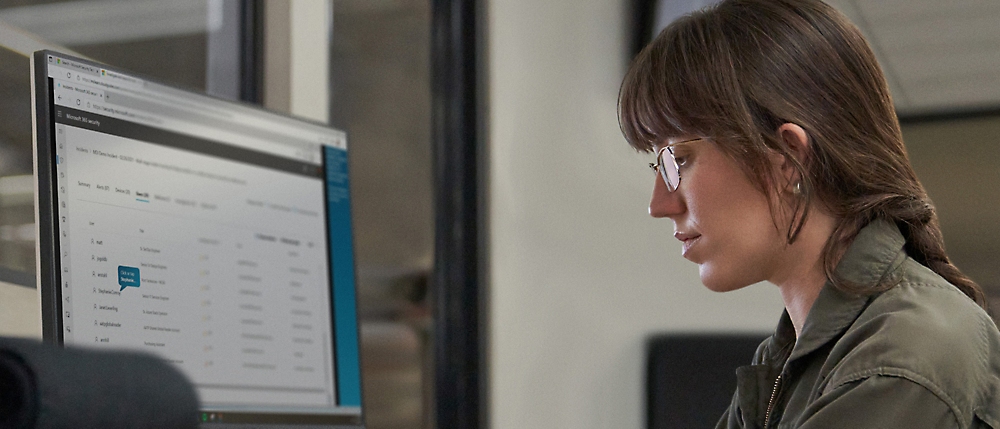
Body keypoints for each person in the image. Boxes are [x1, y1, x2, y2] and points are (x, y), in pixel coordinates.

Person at [617, 0, 1000, 427]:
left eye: (679, 161)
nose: (659, 205)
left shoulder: (903, 355)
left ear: (786, 158)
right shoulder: (786, 360)